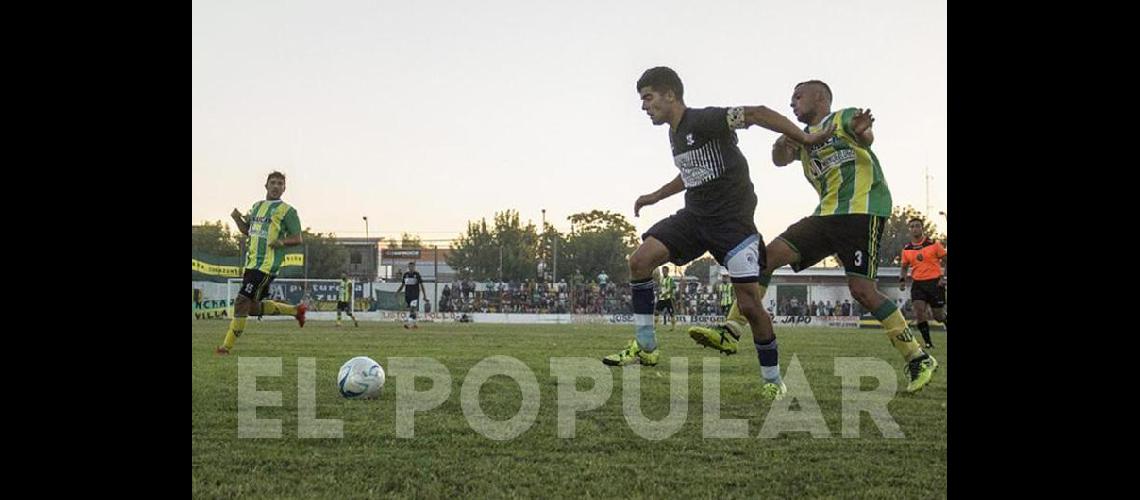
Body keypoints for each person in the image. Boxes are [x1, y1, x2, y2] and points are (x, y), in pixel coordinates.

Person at [603, 67, 833, 403]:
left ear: (670, 94)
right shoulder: (675, 134)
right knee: (640, 261)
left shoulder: (705, 120)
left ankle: (772, 379)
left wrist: (807, 138)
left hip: (732, 225)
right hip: (695, 219)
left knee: (750, 305)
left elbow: (757, 114)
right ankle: (646, 345)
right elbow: (691, 173)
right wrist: (654, 196)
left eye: (648, 97)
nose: (643, 106)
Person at [700, 80, 937, 393]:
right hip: (824, 214)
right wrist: (779, 146)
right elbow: (779, 160)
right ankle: (731, 331)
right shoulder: (803, 137)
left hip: (860, 210)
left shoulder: (842, 118)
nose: (792, 103)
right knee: (764, 258)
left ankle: (917, 357)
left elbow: (865, 136)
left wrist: (863, 130)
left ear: (820, 97)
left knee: (863, 291)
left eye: (798, 96)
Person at [216, 171, 307, 354]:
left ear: (284, 188)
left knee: (241, 301)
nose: (276, 186)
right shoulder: (257, 206)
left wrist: (281, 242)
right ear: (266, 186)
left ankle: (226, 347)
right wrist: (236, 219)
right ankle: (296, 311)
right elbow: (247, 230)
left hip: (267, 265)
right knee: (252, 308)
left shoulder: (288, 211)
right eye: (273, 183)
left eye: (280, 184)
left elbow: (298, 238)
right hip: (251, 264)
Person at [899, 217, 948, 348]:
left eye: (917, 226)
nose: (915, 228)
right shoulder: (907, 249)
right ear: (909, 230)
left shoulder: (933, 244)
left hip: (935, 283)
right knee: (919, 312)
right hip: (918, 284)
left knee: (938, 316)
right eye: (912, 226)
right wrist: (902, 280)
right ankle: (928, 343)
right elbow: (904, 267)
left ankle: (945, 319)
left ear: (922, 228)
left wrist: (943, 278)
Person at [395, 262, 428, 329]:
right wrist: (397, 292)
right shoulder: (405, 275)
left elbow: (421, 285)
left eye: (413, 267)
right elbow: (402, 285)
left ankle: (408, 324)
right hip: (407, 295)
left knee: (412, 309)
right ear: (408, 267)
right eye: (410, 267)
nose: (411, 268)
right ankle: (414, 325)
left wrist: (424, 296)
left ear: (414, 267)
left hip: (415, 294)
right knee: (411, 310)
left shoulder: (417, 275)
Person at [655, 266, 677, 330]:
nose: (663, 272)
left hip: (669, 298)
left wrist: (666, 293)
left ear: (667, 271)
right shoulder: (661, 279)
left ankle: (673, 327)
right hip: (662, 298)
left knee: (671, 313)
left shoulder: (670, 279)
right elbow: (660, 288)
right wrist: (659, 293)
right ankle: (655, 326)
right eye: (662, 271)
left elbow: (672, 287)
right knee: (656, 311)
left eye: (664, 271)